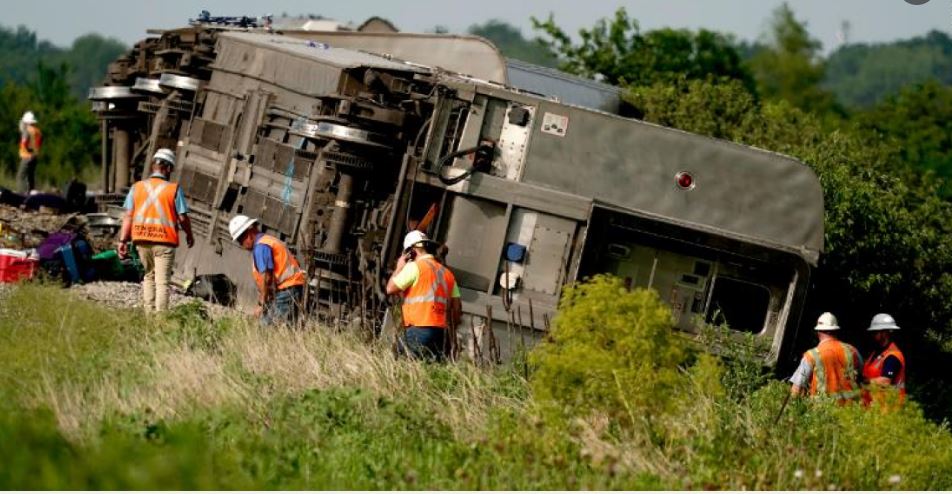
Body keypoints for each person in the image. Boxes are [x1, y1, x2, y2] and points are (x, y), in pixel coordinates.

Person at [117, 148, 194, 313]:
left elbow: (128, 217)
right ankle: (161, 320)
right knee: (162, 282)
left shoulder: (136, 187)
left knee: (149, 277)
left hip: (142, 241)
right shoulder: (173, 189)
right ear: (168, 168)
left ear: (153, 166)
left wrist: (122, 240)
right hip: (164, 242)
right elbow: (182, 218)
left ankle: (149, 315)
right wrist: (189, 234)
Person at [385, 230, 461, 361]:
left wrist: (399, 267)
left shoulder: (414, 267)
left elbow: (390, 288)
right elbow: (457, 308)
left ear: (411, 252)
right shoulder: (448, 274)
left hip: (419, 328)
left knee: (398, 361)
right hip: (441, 333)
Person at [228, 214, 306, 325]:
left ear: (249, 232)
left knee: (266, 329)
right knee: (284, 329)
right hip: (290, 289)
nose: (242, 245)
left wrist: (261, 304)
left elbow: (267, 277)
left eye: (240, 240)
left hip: (286, 290)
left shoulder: (261, 247)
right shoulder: (267, 240)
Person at [789, 311, 864, 404]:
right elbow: (861, 376)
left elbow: (797, 389)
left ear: (818, 332)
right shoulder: (852, 350)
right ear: (836, 330)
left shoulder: (811, 355)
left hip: (823, 411)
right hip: (850, 411)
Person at [862, 313, 906, 407]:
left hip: (888, 410)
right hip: (874, 408)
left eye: (875, 332)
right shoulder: (875, 353)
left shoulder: (893, 356)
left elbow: (886, 381)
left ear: (885, 333)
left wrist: (866, 381)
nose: (873, 335)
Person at [16, 111, 42, 193]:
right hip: (35, 157)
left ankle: (22, 194)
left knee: (20, 176)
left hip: (27, 157)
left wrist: (26, 150)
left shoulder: (27, 130)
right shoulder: (38, 131)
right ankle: (32, 193)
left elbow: (25, 143)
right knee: (31, 176)